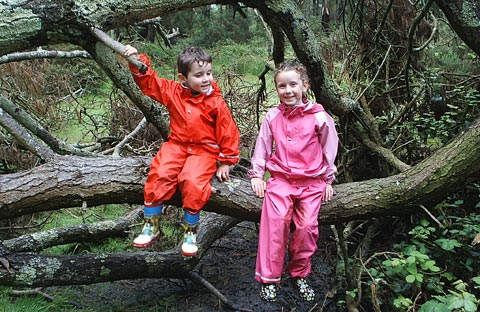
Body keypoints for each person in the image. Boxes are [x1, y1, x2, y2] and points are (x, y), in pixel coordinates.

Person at [124, 44, 240, 257]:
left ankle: (190, 232)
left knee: (192, 180)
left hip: (204, 151)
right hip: (176, 146)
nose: (206, 79)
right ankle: (151, 226)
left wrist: (226, 160)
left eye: (208, 73)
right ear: (183, 78)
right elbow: (151, 84)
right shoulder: (173, 92)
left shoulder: (216, 102)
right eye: (199, 75)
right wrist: (136, 60)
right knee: (159, 173)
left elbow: (228, 130)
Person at [248, 60, 338, 302]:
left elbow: (330, 148)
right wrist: (257, 175)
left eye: (293, 85)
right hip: (281, 180)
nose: (287, 91)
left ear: (305, 86)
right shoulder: (273, 116)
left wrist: (328, 179)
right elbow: (263, 146)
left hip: (312, 182)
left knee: (307, 227)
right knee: (274, 223)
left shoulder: (319, 117)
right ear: (276, 89)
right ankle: (268, 278)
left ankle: (299, 274)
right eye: (281, 86)